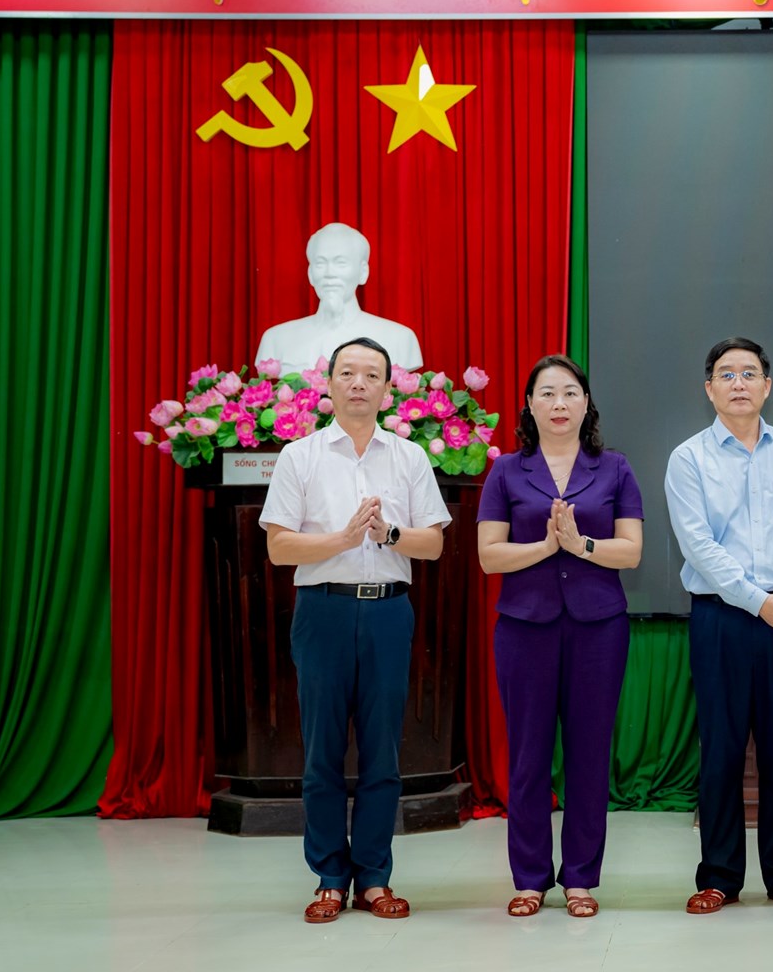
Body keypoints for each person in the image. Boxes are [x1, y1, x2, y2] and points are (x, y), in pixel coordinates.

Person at [258, 337, 451, 923]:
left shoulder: (409, 457)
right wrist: (343, 539)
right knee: (321, 750)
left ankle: (373, 876)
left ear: (388, 388)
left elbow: (433, 544)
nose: (359, 383)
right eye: (348, 373)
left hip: (388, 611)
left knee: (382, 751)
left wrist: (388, 534)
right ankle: (328, 878)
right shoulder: (300, 456)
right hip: (324, 611)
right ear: (329, 384)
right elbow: (279, 546)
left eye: (372, 374)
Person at [477, 355, 644, 919]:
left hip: (598, 629)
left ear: (586, 403)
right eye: (546, 393)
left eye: (570, 392)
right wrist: (548, 547)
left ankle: (580, 879)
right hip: (525, 628)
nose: (559, 404)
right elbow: (489, 555)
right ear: (529, 405)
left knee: (589, 755)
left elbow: (631, 550)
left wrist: (581, 546)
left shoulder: (614, 468)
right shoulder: (506, 471)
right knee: (528, 756)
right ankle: (529, 879)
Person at [664, 337, 773, 915]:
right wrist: (757, 602)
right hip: (722, 616)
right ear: (709, 389)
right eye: (727, 374)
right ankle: (719, 877)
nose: (739, 383)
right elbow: (699, 546)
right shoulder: (688, 458)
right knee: (722, 751)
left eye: (749, 373)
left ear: (767, 386)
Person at [255, 223, 424, 375]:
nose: (329, 273)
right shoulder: (276, 340)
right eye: (320, 263)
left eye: (340, 263)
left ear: (363, 272)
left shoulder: (400, 339)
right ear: (310, 273)